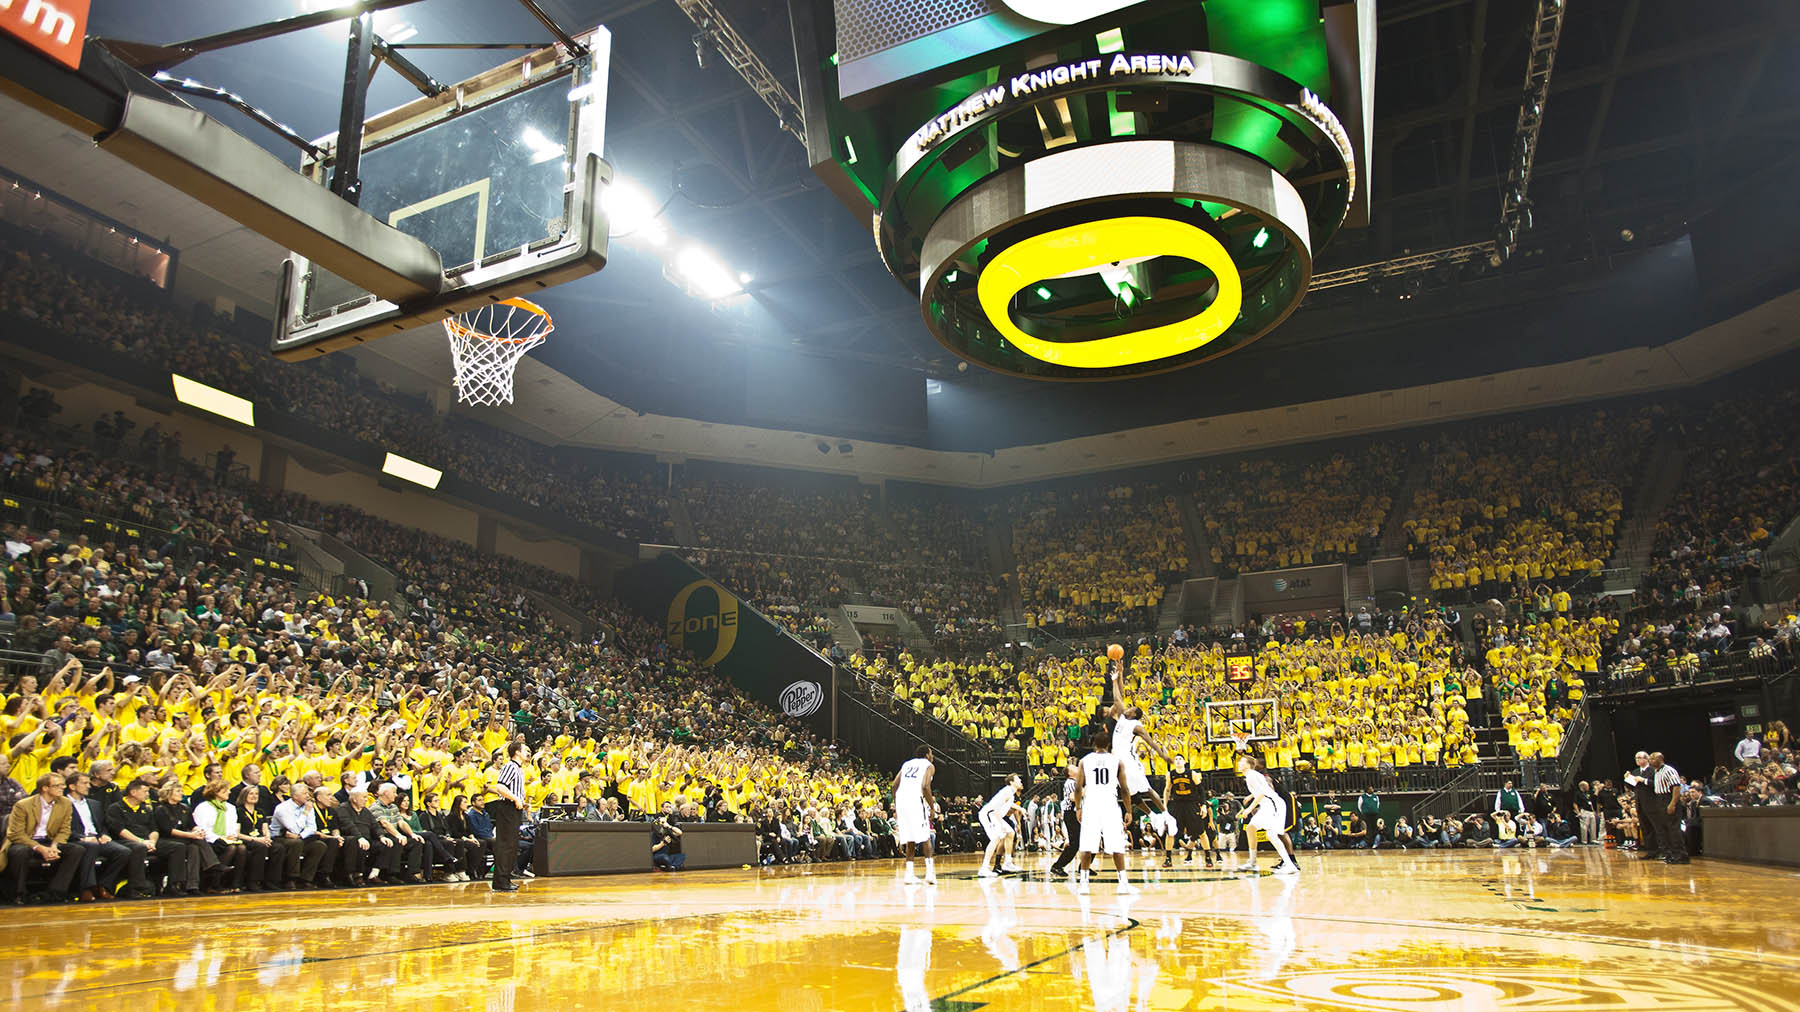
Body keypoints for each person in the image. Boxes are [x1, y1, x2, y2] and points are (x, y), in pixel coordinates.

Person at [1106, 655, 1176, 826]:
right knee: (1131, 793)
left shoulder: (1136, 725)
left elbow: (1150, 741)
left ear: (1134, 714)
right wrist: (1118, 676)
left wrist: (1162, 755)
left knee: (1146, 789)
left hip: (1129, 761)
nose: (1127, 708)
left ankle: (1166, 814)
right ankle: (1152, 815)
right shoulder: (1123, 718)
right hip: (1118, 761)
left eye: (1131, 709)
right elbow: (1119, 697)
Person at [3, 772, 83, 903]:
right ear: (45, 788)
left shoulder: (65, 803)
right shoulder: (23, 805)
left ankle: (56, 892)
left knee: (76, 850)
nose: (62, 788)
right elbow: (15, 834)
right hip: (26, 841)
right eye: (58, 785)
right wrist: (40, 848)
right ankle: (19, 894)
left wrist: (54, 846)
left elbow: (64, 830)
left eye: (63, 785)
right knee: (20, 852)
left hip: (49, 840)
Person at [1074, 730, 1135, 894]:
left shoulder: (1084, 761)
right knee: (1116, 844)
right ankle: (1123, 883)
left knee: (1087, 844)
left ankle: (1084, 883)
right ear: (1109, 745)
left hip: (1091, 804)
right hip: (1110, 804)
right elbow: (1125, 789)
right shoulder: (1117, 761)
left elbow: (1078, 787)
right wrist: (1128, 810)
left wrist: (1078, 807)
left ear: (1094, 744)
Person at [1238, 756, 1298, 874]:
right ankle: (1252, 862)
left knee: (1271, 834)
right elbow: (1260, 792)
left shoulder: (1251, 775)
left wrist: (1249, 809)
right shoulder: (1251, 775)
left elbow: (1261, 793)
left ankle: (1290, 865)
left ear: (1248, 764)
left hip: (1275, 805)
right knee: (1250, 828)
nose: (1239, 763)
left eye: (1242, 762)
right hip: (1267, 806)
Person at [891, 745, 936, 885]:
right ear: (927, 755)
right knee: (925, 836)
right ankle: (930, 873)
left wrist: (897, 804)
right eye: (931, 753)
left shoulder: (906, 764)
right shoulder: (928, 765)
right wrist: (932, 808)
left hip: (901, 801)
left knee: (910, 838)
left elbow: (894, 786)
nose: (932, 755)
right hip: (915, 800)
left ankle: (909, 875)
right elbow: (925, 786)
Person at [487, 741, 527, 892]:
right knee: (505, 845)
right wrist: (515, 799)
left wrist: (521, 800)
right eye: (524, 750)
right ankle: (500, 881)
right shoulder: (510, 766)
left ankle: (505, 879)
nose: (527, 753)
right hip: (507, 808)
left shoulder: (517, 768)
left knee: (511, 845)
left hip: (514, 808)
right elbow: (500, 786)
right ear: (517, 752)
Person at [1163, 755, 1214, 869]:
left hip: (1192, 804)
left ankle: (1208, 857)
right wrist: (1164, 806)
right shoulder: (1170, 774)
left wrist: (1204, 806)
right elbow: (1167, 790)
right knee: (1170, 832)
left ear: (1185, 762)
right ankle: (1168, 858)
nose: (1178, 761)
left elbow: (1201, 791)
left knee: (1201, 831)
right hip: (1177, 804)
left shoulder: (1192, 774)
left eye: (1180, 759)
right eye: (1176, 759)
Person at [977, 773, 1025, 877]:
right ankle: (984, 868)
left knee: (1010, 833)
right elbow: (995, 808)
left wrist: (1020, 808)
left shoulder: (1010, 793)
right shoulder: (1007, 791)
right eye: (1018, 779)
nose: (1020, 780)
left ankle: (1007, 863)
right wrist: (1000, 824)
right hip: (989, 814)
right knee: (996, 838)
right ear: (1012, 782)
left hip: (994, 815)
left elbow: (1008, 803)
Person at [1648, 752, 1689, 864]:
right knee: (1665, 828)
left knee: (1673, 828)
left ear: (1660, 759)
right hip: (1660, 799)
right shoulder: (1656, 772)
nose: (1650, 760)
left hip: (1668, 798)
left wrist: (1672, 804)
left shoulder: (1669, 770)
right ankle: (1671, 853)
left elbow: (1676, 787)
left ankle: (1681, 855)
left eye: (1652, 758)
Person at [1047, 761, 1080, 879]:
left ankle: (1084, 866)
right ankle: (1057, 866)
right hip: (1071, 813)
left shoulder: (1076, 781)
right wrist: (1085, 791)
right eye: (1074, 767)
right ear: (1070, 773)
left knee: (1090, 840)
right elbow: (1072, 797)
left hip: (1078, 813)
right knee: (1075, 843)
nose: (1077, 768)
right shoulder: (1070, 782)